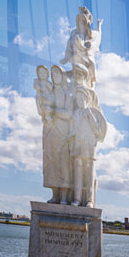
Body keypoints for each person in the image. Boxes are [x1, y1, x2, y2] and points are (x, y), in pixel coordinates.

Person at [68, 84, 107, 208]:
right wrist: (69, 139)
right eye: (78, 99)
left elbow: (97, 129)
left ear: (86, 99)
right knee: (78, 174)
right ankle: (77, 198)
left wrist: (90, 115)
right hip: (78, 146)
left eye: (82, 99)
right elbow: (73, 129)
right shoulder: (76, 114)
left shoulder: (92, 112)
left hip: (89, 147)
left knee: (89, 174)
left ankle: (89, 200)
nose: (80, 101)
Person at [41, 65, 74, 204]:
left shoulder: (67, 94)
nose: (55, 77)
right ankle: (55, 195)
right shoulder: (49, 92)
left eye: (57, 74)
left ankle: (65, 196)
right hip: (50, 131)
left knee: (64, 164)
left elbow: (69, 113)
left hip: (63, 131)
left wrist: (54, 112)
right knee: (51, 163)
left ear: (62, 76)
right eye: (53, 74)